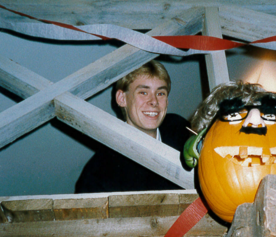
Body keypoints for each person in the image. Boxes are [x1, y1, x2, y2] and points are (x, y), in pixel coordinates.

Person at [75, 61, 190, 193]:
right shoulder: (99, 172)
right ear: (122, 98)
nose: (154, 101)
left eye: (160, 93)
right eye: (143, 92)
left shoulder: (180, 130)